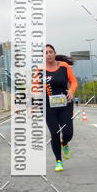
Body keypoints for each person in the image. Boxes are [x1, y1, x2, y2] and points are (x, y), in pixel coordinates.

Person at [36, 44, 77, 172]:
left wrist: (71, 91)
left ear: (54, 53)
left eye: (50, 52)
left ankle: (65, 143)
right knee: (55, 133)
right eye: (45, 53)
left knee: (68, 133)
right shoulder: (39, 71)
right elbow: (35, 87)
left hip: (65, 104)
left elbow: (74, 81)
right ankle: (58, 161)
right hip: (48, 106)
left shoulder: (64, 66)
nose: (48, 54)